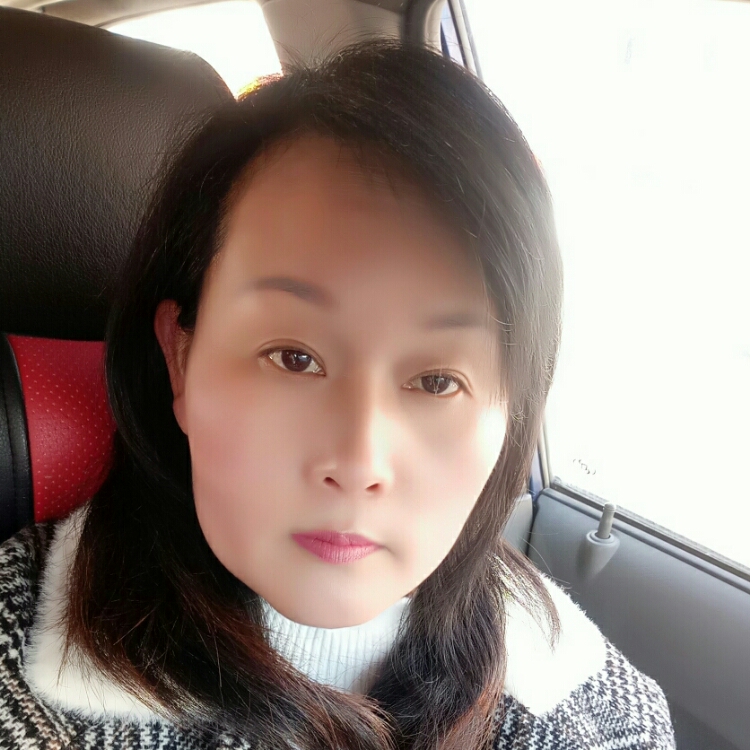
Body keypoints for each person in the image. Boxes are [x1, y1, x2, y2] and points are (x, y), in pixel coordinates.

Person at [0, 40, 676, 750]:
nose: (358, 462)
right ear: (181, 359)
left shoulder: (598, 717)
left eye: (438, 381)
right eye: (293, 358)